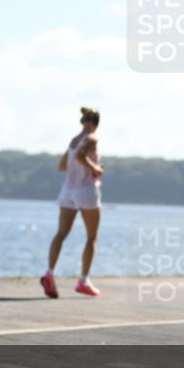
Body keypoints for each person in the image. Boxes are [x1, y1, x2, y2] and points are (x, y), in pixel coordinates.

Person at [40, 107, 104, 298]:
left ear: (83, 121)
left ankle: (49, 273)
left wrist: (82, 166)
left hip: (68, 191)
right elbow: (80, 157)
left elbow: (62, 165)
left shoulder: (73, 140)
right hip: (86, 191)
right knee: (92, 237)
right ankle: (83, 280)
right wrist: (96, 169)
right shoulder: (92, 139)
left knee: (61, 233)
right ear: (95, 123)